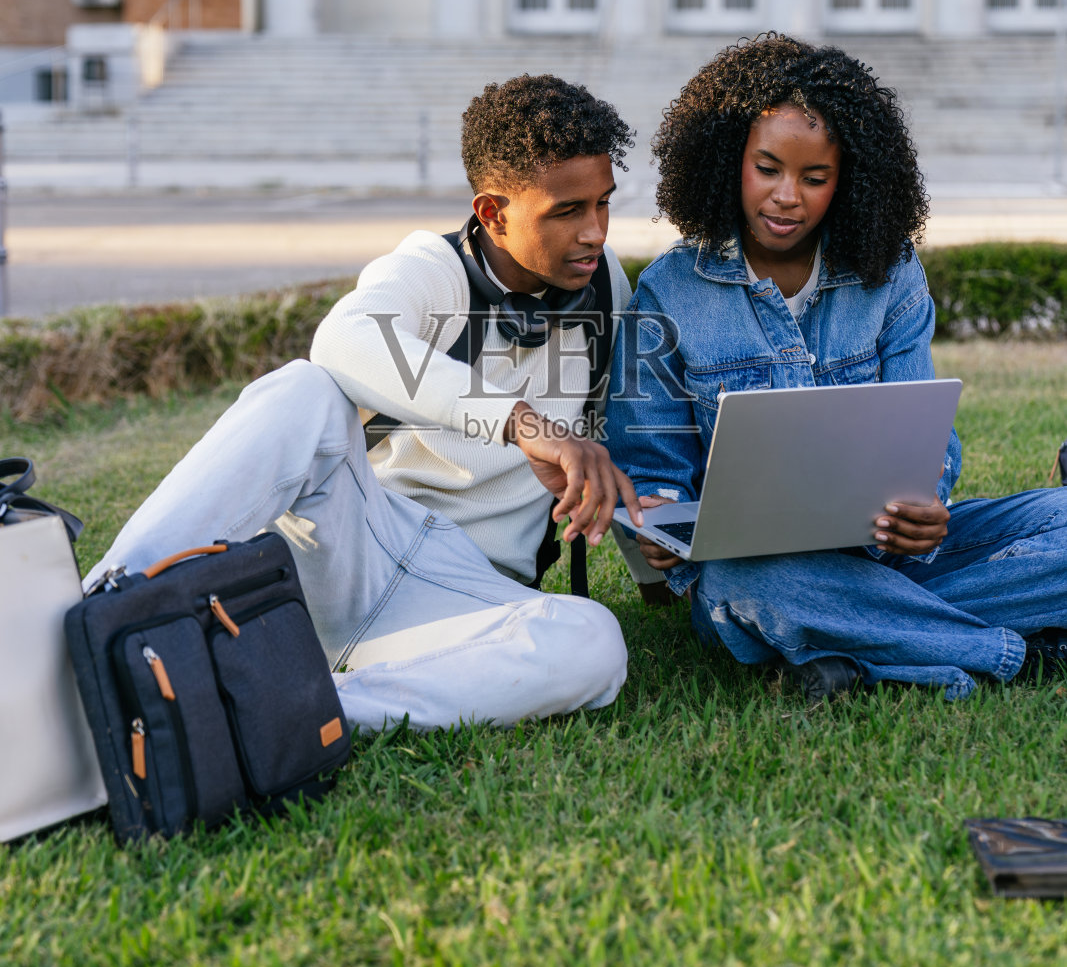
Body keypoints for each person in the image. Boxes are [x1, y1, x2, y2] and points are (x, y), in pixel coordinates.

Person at [87, 74, 645, 731]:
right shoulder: (430, 268)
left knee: (593, 642)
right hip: (354, 548)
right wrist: (519, 424)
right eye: (567, 211)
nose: (594, 233)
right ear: (492, 212)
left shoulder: (604, 284)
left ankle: (286, 711)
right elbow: (344, 341)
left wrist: (650, 563)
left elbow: (613, 432)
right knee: (303, 389)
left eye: (603, 205)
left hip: (465, 598)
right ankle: (98, 620)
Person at [605, 36, 1067, 703]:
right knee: (749, 587)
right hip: (763, 572)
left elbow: (924, 437)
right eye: (766, 168)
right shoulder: (667, 294)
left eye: (813, 178)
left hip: (895, 558)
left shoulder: (890, 273)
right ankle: (1018, 655)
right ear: (725, 160)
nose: (786, 196)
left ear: (847, 179)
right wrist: (656, 521)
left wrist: (927, 503)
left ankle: (858, 645)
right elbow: (653, 473)